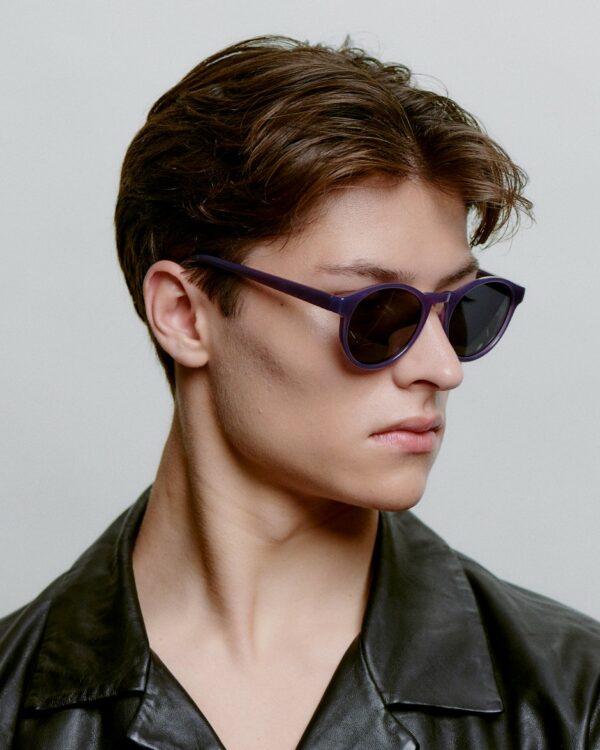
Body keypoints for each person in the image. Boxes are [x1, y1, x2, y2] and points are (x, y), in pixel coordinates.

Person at [0, 35, 598, 750]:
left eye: (464, 309)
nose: (443, 368)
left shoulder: (575, 705)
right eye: (376, 313)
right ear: (184, 314)